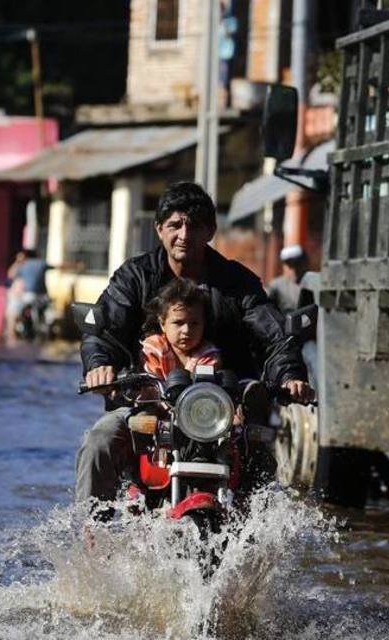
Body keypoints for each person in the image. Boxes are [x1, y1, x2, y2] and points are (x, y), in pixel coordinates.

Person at [76, 181, 312, 511]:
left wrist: (289, 375)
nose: (184, 234)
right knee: (100, 439)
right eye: (175, 225)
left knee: (260, 451)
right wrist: (100, 365)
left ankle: (258, 542)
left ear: (211, 230)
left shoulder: (237, 282)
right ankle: (90, 539)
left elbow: (273, 334)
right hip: (147, 401)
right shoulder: (134, 277)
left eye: (195, 225)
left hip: (225, 408)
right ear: (159, 229)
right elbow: (104, 330)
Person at [140, 278, 221, 378]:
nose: (186, 330)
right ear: (162, 323)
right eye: (178, 323)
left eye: (194, 323)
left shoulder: (209, 355)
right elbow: (150, 385)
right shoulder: (153, 350)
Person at [5, 249, 49, 339]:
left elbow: (10, 275)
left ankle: (11, 335)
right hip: (42, 297)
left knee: (12, 312)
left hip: (27, 296)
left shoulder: (22, 265)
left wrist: (17, 262)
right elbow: (60, 265)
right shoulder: (42, 263)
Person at [267, 244, 308, 314]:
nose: (294, 268)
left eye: (297, 263)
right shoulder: (276, 286)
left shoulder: (313, 283)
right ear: (284, 265)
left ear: (304, 263)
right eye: (289, 264)